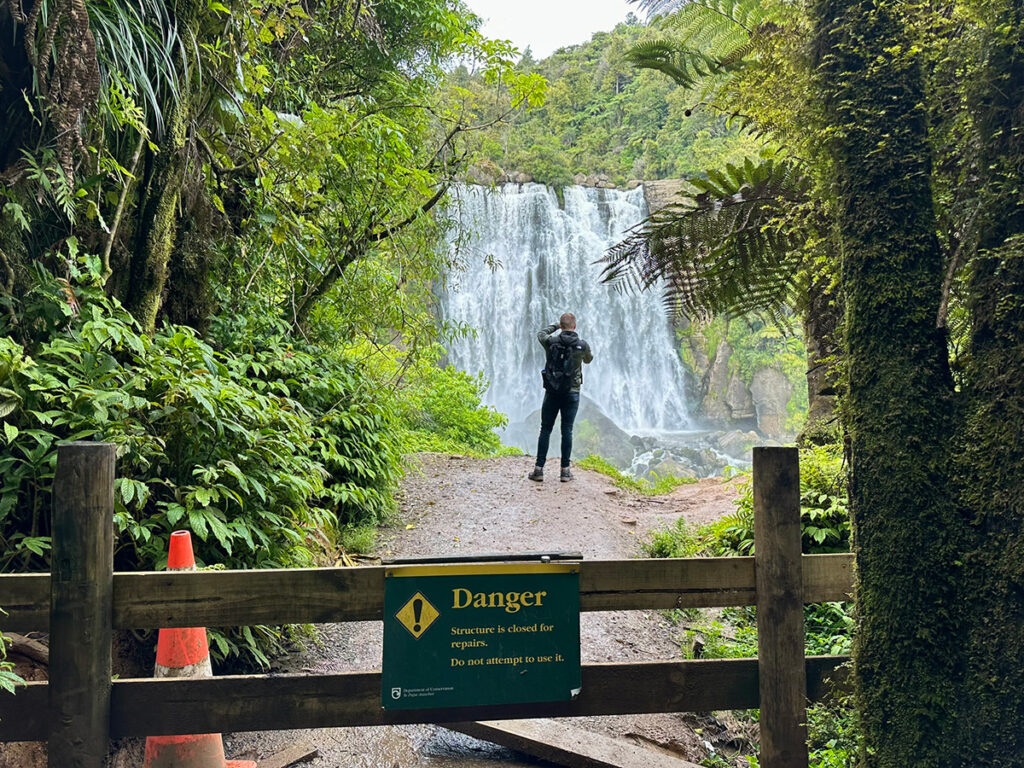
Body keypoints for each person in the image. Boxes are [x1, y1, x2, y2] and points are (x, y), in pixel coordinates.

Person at [528, 312, 594, 482]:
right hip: (572, 392)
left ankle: (539, 469)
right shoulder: (582, 345)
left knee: (546, 429)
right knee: (567, 430)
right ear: (575, 326)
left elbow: (541, 334)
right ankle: (565, 472)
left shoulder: (551, 342)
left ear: (561, 325)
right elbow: (589, 360)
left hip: (552, 391)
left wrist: (555, 327)